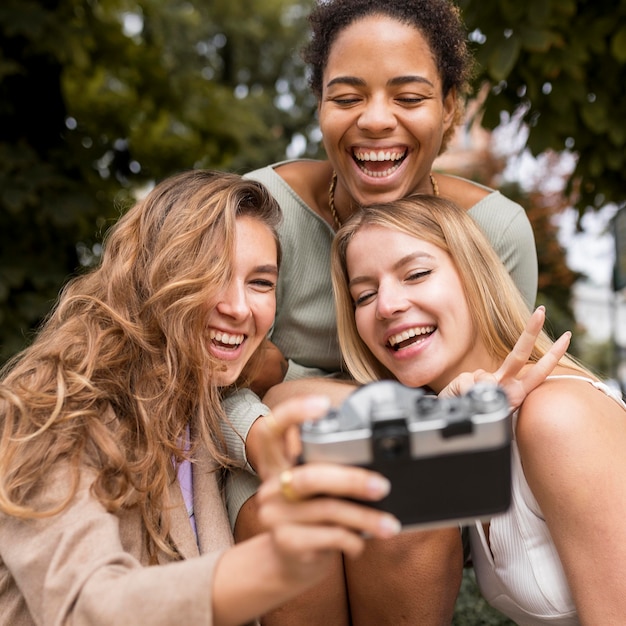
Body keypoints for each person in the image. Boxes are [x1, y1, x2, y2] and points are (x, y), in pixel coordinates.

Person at [224, 0, 539, 623]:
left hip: (426, 466)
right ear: (319, 107)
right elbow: (200, 373)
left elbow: (492, 407)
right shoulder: (259, 213)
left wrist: (289, 382)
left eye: (409, 97)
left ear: (450, 107)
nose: (375, 121)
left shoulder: (496, 231)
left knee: (404, 511)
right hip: (267, 463)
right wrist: (259, 430)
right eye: (346, 97)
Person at [0, 169, 404, 626]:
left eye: (261, 283)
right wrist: (274, 564)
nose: (238, 307)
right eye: (210, 273)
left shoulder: (197, 407)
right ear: (150, 274)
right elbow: (85, 608)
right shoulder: (46, 408)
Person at [330, 194, 626, 625]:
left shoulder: (557, 416)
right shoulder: (470, 424)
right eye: (364, 294)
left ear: (475, 275)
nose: (388, 305)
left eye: (416, 274)